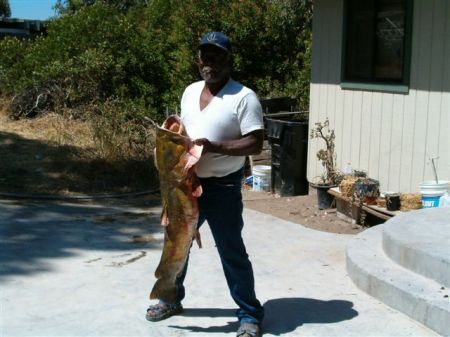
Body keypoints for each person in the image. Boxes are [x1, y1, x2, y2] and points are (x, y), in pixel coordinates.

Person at [146, 31, 265, 337]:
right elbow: (186, 130)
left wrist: (215, 147)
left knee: (231, 250)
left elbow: (255, 143)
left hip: (223, 187)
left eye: (216, 56)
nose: (208, 63)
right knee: (177, 244)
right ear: (198, 60)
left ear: (228, 60)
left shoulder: (244, 97)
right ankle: (170, 298)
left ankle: (249, 314)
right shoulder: (189, 91)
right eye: (204, 56)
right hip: (185, 183)